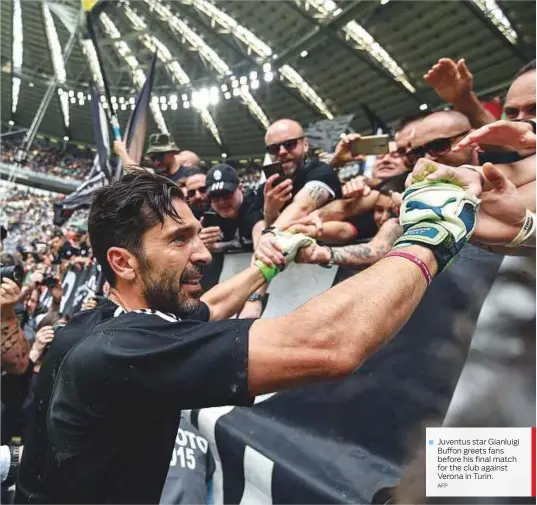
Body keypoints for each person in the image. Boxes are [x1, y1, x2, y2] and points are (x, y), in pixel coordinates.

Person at [17, 170, 478, 504]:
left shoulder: (99, 321)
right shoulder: (122, 350)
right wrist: (431, 237)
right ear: (123, 262)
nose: (202, 253)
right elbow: (329, 344)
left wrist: (267, 265)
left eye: (198, 234)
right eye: (179, 240)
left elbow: (207, 311)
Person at [256, 119, 342, 267]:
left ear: (305, 145)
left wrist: (270, 233)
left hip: (331, 266)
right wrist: (270, 212)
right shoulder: (264, 190)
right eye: (274, 149)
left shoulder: (321, 171)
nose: (282, 152)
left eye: (290, 144)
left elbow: (302, 206)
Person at [203, 164, 265, 252]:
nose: (222, 202)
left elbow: (258, 227)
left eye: (226, 195)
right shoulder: (211, 216)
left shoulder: (253, 205)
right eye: (215, 197)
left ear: (240, 188)